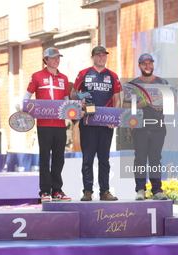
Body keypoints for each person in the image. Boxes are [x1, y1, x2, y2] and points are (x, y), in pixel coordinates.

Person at [70, 46, 122, 201]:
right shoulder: (84, 73)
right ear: (92, 57)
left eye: (104, 55)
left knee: (104, 159)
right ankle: (87, 191)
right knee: (88, 158)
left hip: (106, 123)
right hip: (88, 121)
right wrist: (81, 97)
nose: (101, 58)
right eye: (98, 55)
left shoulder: (113, 76)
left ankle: (104, 191)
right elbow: (72, 93)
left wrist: (114, 118)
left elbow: (118, 99)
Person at [22, 47, 71, 202]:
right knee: (44, 158)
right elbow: (27, 98)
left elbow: (67, 102)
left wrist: (75, 110)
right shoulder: (36, 76)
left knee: (59, 158)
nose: (56, 60)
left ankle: (57, 190)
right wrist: (24, 110)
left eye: (58, 58)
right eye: (53, 58)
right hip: (43, 124)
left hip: (61, 125)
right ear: (45, 60)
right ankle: (44, 191)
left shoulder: (64, 78)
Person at [123, 53, 168, 201]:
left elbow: (170, 103)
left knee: (155, 159)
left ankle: (157, 190)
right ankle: (140, 189)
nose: (148, 66)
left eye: (150, 63)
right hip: (140, 127)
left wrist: (164, 107)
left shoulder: (162, 82)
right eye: (144, 64)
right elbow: (125, 106)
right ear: (139, 66)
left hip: (158, 126)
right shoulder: (132, 84)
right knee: (140, 159)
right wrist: (143, 103)